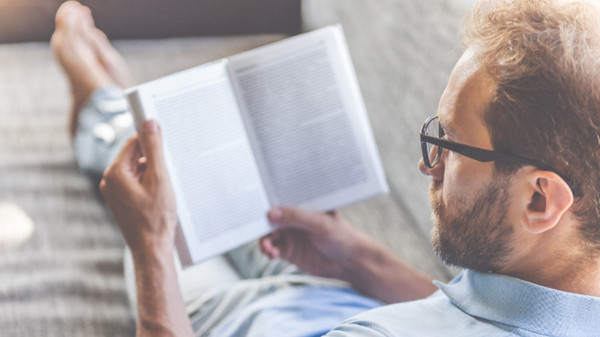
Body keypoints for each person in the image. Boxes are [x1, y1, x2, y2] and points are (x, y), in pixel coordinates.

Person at [52, 0, 600, 335]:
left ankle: (102, 105)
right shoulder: (552, 276)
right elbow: (471, 314)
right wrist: (354, 256)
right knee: (221, 183)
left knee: (155, 179)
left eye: (451, 146)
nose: (427, 165)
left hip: (225, 319)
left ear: (539, 200)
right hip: (336, 289)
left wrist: (151, 251)